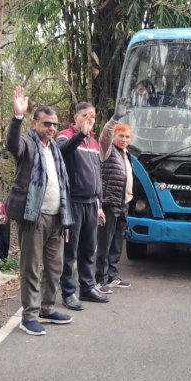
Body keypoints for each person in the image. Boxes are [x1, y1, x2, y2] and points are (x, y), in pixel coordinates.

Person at [4, 86, 74, 335]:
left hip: (57, 216)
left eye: (55, 124)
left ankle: (46, 307)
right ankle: (29, 315)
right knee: (31, 268)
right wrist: (17, 116)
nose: (52, 129)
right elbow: (12, 144)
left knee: (54, 267)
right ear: (35, 124)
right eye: (47, 124)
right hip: (33, 216)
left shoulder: (54, 148)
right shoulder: (28, 143)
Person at [57, 102, 109, 309]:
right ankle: (68, 292)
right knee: (71, 250)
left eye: (93, 117)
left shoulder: (94, 143)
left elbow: (97, 175)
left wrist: (99, 204)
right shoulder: (65, 135)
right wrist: (79, 135)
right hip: (74, 203)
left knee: (89, 248)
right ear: (75, 117)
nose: (90, 120)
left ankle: (87, 287)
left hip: (91, 204)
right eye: (86, 116)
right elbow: (61, 151)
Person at [95, 101, 134, 293]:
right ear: (114, 137)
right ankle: (100, 279)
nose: (124, 139)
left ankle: (112, 276)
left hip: (123, 203)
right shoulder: (108, 150)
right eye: (121, 136)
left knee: (118, 241)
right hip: (109, 202)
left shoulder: (125, 154)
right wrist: (115, 119)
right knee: (105, 241)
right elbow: (104, 136)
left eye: (127, 137)